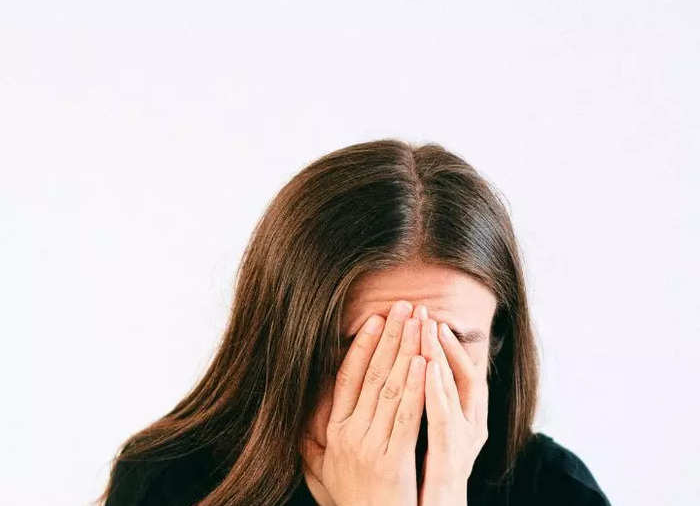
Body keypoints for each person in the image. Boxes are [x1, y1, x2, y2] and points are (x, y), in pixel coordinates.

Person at [96, 139, 612, 506]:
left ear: (497, 342)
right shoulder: (168, 483)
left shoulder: (556, 490)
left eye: (450, 344)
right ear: (288, 341)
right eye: (368, 346)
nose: (407, 385)